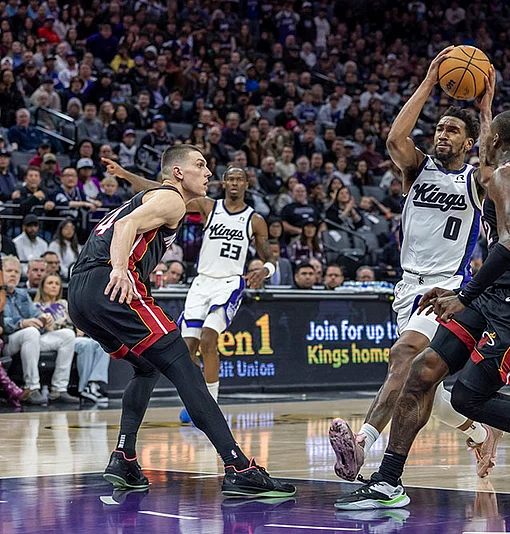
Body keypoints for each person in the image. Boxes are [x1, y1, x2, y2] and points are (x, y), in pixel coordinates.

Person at [336, 108, 510, 512]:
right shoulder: (505, 172)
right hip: (492, 293)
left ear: (490, 140)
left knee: (467, 397)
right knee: (422, 370)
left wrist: (464, 294)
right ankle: (388, 481)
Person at [67, 146, 293, 497]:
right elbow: (126, 226)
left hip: (79, 294)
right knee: (185, 366)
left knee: (146, 367)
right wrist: (120, 269)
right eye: (200, 165)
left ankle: (124, 457)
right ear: (177, 173)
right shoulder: (172, 199)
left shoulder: (156, 197)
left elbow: (128, 219)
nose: (208, 172)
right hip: (110, 283)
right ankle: (238, 466)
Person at [329, 48, 500, 484]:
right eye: (439, 128)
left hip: (446, 290)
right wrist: (429, 81)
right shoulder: (418, 168)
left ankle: (362, 444)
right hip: (407, 287)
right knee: (420, 388)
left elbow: (493, 165)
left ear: (468, 142)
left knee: (403, 357)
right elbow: (394, 140)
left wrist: (485, 111)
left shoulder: (475, 180)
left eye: (452, 130)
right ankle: (481, 432)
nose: (442, 134)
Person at [101, 161, 276, 424]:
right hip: (201, 282)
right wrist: (125, 174)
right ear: (223, 183)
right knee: (186, 348)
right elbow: (160, 191)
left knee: (208, 339)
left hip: (228, 282)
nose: (235, 183)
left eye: (240, 179)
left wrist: (266, 270)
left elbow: (268, 255)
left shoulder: (255, 219)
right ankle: (196, 402)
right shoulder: (209, 206)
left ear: (246, 184)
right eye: (230, 179)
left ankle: (211, 406)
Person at [3, 255, 78, 406]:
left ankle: (59, 389)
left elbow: (34, 314)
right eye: (9, 271)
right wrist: (22, 323)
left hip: (30, 338)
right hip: (7, 340)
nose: (13, 275)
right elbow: (2, 322)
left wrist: (43, 318)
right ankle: (32, 387)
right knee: (30, 332)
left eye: (16, 272)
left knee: (68, 335)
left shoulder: (22, 293)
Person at [34, 273, 111, 404]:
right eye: (50, 283)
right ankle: (83, 387)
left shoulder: (64, 303)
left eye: (57, 284)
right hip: (55, 338)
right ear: (42, 286)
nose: (54, 286)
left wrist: (79, 330)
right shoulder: (37, 306)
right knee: (86, 345)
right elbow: (47, 328)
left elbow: (76, 321)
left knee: (101, 344)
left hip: (73, 336)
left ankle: (94, 382)